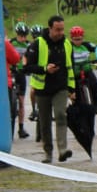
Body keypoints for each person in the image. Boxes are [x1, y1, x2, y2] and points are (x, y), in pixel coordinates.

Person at [24, 15, 75, 162]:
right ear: (50, 28)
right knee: (44, 122)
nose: (60, 33)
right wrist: (45, 69)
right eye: (57, 30)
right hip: (42, 89)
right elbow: (27, 67)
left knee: (60, 114)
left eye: (62, 29)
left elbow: (71, 67)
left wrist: (72, 89)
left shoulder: (67, 43)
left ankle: (63, 150)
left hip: (61, 88)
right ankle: (48, 153)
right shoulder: (37, 44)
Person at [69, 25, 97, 115]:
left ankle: (96, 103)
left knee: (94, 85)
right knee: (72, 90)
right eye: (75, 39)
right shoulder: (69, 46)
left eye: (80, 39)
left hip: (87, 71)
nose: (78, 42)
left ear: (83, 37)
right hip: (75, 73)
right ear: (71, 38)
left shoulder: (86, 45)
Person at [11, 22, 32, 138]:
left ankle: (21, 128)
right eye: (21, 36)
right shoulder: (11, 43)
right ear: (17, 34)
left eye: (25, 36)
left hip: (21, 74)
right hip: (11, 72)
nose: (23, 38)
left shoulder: (28, 45)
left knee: (21, 102)